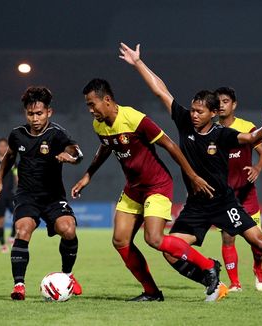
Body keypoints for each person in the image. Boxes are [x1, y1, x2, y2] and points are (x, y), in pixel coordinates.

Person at [119, 42, 262, 302]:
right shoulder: (184, 120)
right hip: (196, 206)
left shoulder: (222, 134)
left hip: (224, 203)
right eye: (193, 109)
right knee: (171, 250)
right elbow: (161, 91)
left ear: (212, 113)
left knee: (261, 242)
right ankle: (213, 281)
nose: (193, 114)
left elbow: (250, 138)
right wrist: (138, 63)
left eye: (199, 111)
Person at [72, 79, 227, 302]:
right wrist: (88, 174)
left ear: (107, 100)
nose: (90, 110)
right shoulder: (99, 124)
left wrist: (193, 176)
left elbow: (170, 144)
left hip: (157, 185)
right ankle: (152, 292)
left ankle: (209, 265)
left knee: (154, 238)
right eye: (88, 105)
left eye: (92, 104)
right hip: (133, 189)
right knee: (120, 241)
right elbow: (107, 146)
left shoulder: (134, 118)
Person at [0, 86, 84, 300]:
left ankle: (68, 276)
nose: (35, 118)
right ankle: (19, 286)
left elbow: (76, 152)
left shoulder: (57, 134)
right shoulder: (17, 135)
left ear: (49, 112)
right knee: (22, 230)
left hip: (53, 197)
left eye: (39, 113)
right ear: (26, 113)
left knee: (68, 230)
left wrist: (70, 157)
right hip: (27, 196)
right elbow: (8, 157)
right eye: (31, 114)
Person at [215, 86, 262, 292]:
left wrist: (257, 167)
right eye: (218, 102)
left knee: (258, 244)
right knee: (228, 238)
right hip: (225, 196)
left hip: (247, 194)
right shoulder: (212, 131)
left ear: (234, 104)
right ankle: (235, 283)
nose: (221, 105)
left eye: (225, 101)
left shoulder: (247, 127)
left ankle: (258, 266)